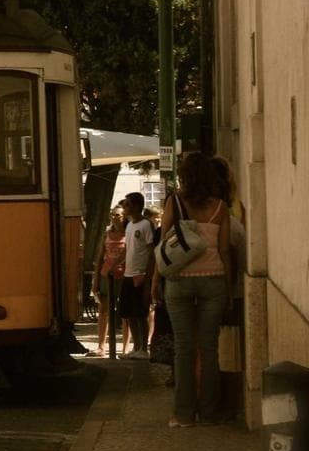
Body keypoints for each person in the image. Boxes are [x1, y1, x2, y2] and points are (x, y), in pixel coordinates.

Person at [152, 151, 232, 428]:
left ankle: (184, 415)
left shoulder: (174, 202)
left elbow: (163, 246)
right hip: (214, 279)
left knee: (184, 349)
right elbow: (224, 250)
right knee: (209, 349)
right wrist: (228, 287)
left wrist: (156, 280)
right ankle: (209, 413)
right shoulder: (221, 207)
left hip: (179, 280)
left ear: (183, 176)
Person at [89, 207, 127, 357]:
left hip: (123, 275)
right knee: (103, 310)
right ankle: (101, 346)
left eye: (117, 215)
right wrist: (96, 280)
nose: (114, 217)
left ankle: (125, 348)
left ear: (124, 217)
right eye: (112, 214)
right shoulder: (107, 234)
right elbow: (100, 257)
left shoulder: (128, 233)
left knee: (125, 311)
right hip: (106, 275)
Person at [120, 192, 153, 360]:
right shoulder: (129, 226)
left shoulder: (146, 225)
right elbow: (128, 248)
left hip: (140, 274)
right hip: (128, 273)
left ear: (136, 206)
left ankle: (143, 348)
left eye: (127, 205)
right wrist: (116, 264)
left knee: (140, 313)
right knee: (129, 314)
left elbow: (151, 251)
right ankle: (136, 346)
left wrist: (147, 275)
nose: (125, 208)